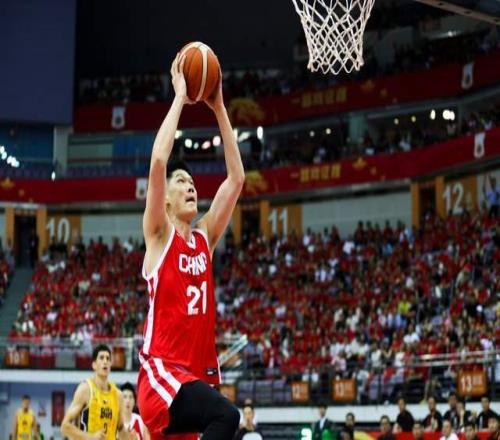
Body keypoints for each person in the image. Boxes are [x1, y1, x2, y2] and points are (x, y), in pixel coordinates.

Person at [137, 53, 244, 440]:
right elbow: (158, 161)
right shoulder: (158, 234)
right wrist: (181, 96)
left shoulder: (204, 238)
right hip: (162, 373)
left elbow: (236, 179)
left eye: (192, 182)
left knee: (220, 420)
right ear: (165, 200)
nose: (190, 186)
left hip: (193, 375)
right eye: (181, 182)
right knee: (227, 416)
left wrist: (219, 108)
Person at [60, 344, 130, 439]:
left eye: (108, 359)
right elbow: (64, 427)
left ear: (110, 365)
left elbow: (121, 428)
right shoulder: (85, 389)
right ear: (94, 365)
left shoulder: (118, 395)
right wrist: (91, 437)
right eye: (101, 358)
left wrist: (130, 438)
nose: (105, 361)